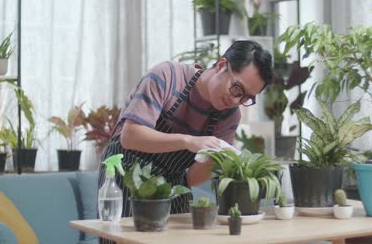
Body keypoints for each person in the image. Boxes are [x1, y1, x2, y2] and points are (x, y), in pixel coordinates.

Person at [98, 40, 273, 217]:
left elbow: (192, 179)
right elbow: (130, 137)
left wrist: (218, 157)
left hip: (172, 184)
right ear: (221, 65)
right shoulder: (168, 76)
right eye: (237, 89)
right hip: (126, 173)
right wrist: (188, 141)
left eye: (246, 97)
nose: (236, 101)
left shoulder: (229, 116)